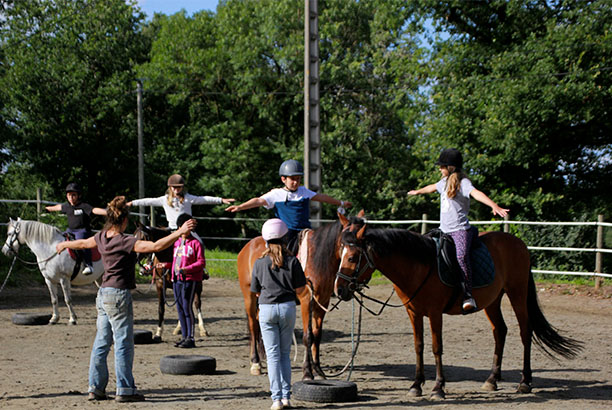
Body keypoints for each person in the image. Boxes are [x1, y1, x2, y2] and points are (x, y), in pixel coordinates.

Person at [56, 196, 196, 403]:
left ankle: (95, 388)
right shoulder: (125, 240)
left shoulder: (102, 237)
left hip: (103, 294)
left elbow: (84, 243)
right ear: (123, 221)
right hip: (119, 295)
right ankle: (125, 389)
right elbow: (156, 247)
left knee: (101, 343)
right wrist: (179, 232)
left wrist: (64, 244)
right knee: (123, 344)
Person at [408, 148, 509, 311]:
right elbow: (431, 187)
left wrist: (494, 205)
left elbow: (476, 193)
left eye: (442, 166)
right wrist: (417, 191)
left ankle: (468, 295)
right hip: (443, 231)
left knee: (461, 257)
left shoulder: (463, 183)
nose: (440, 169)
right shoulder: (443, 183)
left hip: (460, 231)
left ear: (451, 167)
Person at [225, 159, 352, 253]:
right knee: (286, 253)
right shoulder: (276, 194)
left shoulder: (304, 191)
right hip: (286, 233)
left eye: (298, 179)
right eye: (292, 179)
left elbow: (322, 197)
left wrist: (340, 203)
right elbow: (258, 201)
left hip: (305, 231)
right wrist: (240, 207)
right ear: (283, 179)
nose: (296, 182)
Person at [251, 218, 307, 410]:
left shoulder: (259, 263)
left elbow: (256, 290)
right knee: (285, 354)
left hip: (266, 309)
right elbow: (301, 289)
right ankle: (286, 397)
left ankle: (275, 399)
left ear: (266, 240)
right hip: (287, 308)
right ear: (285, 239)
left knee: (272, 356)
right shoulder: (293, 261)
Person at [157, 213, 205, 349]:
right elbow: (175, 261)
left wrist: (187, 269)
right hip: (177, 278)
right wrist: (166, 265)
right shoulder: (176, 243)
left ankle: (190, 337)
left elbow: (201, 262)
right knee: (179, 308)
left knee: (186, 307)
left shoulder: (196, 243)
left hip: (189, 279)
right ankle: (184, 336)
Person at [127, 174, 235, 231]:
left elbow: (204, 199)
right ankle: (151, 264)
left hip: (188, 230)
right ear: (170, 188)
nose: (176, 190)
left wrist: (220, 200)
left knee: (199, 244)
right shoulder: (164, 200)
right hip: (171, 229)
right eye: (174, 187)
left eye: (179, 188)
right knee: (157, 245)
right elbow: (148, 201)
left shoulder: (188, 198)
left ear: (182, 187)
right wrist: (132, 203)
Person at [45, 182, 106, 275]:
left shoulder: (83, 206)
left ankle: (88, 265)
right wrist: (49, 208)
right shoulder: (67, 206)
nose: (71, 198)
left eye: (73, 195)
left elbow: (94, 210)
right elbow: (58, 207)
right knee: (59, 238)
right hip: (70, 230)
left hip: (82, 231)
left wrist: (107, 212)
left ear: (78, 195)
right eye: (69, 195)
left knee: (82, 243)